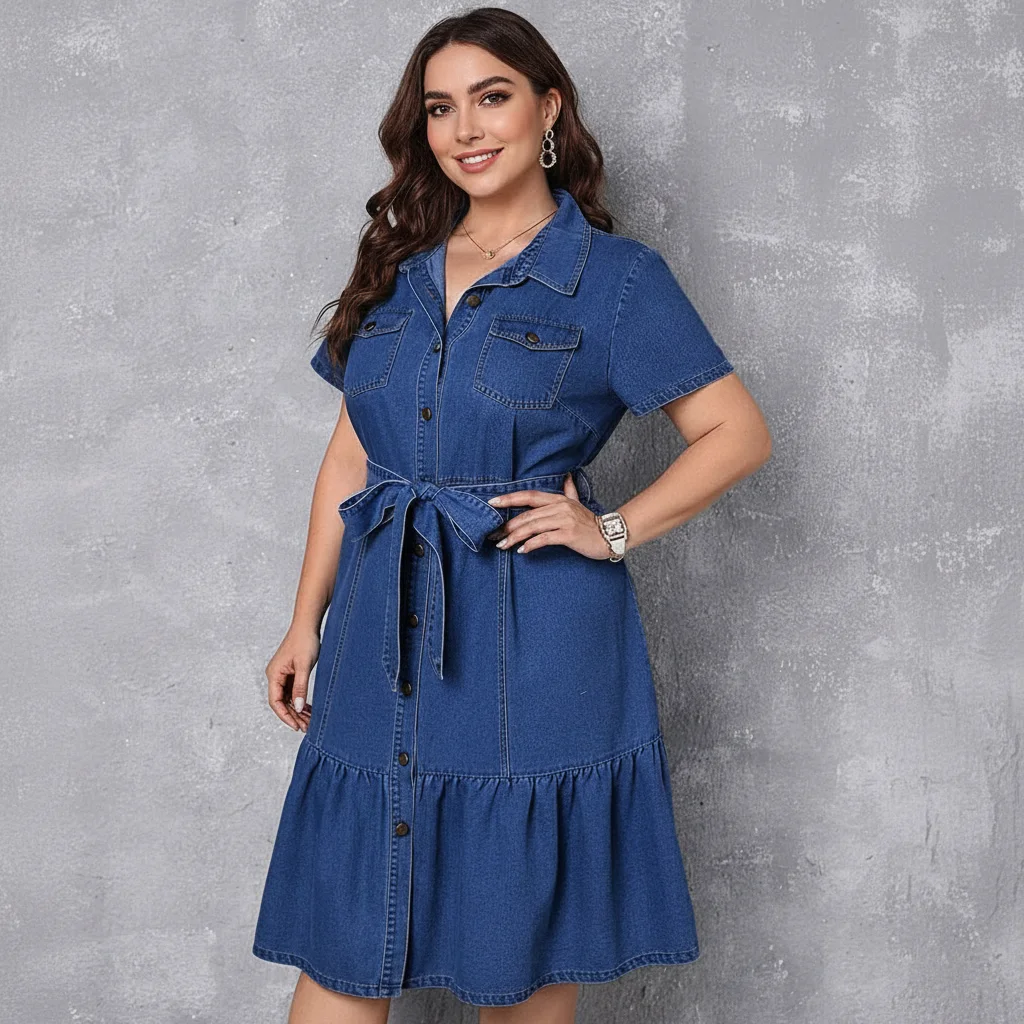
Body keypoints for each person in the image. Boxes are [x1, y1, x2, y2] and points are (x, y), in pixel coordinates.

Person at [252, 8, 771, 1022]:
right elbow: (353, 453)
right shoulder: (395, 266)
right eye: (440, 107)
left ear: (548, 109)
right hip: (378, 638)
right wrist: (304, 619)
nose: (466, 128)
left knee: (518, 946)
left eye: (491, 97)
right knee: (345, 941)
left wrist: (609, 530)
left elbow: (736, 432)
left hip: (535, 647)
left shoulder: (615, 281)